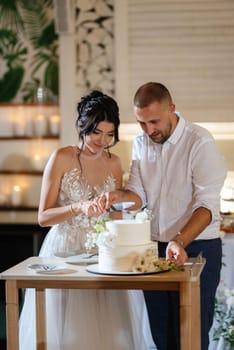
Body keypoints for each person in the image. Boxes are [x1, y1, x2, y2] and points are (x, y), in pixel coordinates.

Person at [19, 90, 156, 350]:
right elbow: (43, 217)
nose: (102, 140)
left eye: (109, 134)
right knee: (66, 332)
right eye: (96, 132)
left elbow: (115, 214)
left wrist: (121, 242)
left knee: (110, 331)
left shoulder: (114, 162)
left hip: (101, 253)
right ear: (83, 125)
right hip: (63, 251)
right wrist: (79, 206)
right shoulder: (61, 157)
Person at [100, 82, 227, 350]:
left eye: (154, 122)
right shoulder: (140, 143)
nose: (149, 130)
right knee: (161, 335)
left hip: (198, 247)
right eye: (141, 123)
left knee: (190, 334)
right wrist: (118, 198)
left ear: (172, 108)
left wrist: (179, 242)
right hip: (155, 250)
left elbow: (206, 207)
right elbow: (138, 195)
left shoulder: (199, 142)